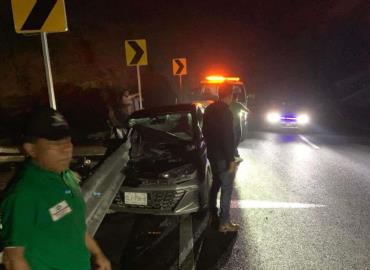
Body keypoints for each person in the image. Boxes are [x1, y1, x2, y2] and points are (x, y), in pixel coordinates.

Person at [0, 107, 111, 270]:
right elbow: (13, 259)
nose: (67, 149)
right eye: (56, 144)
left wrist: (98, 254)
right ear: (31, 149)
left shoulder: (65, 176)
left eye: (68, 142)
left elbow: (75, 225)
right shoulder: (23, 194)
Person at [202, 84, 239, 233]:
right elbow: (227, 138)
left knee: (216, 182)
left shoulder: (209, 109)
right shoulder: (226, 112)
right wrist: (231, 159)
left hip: (212, 154)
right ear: (229, 95)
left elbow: (204, 131)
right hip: (223, 156)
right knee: (227, 188)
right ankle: (224, 223)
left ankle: (212, 214)